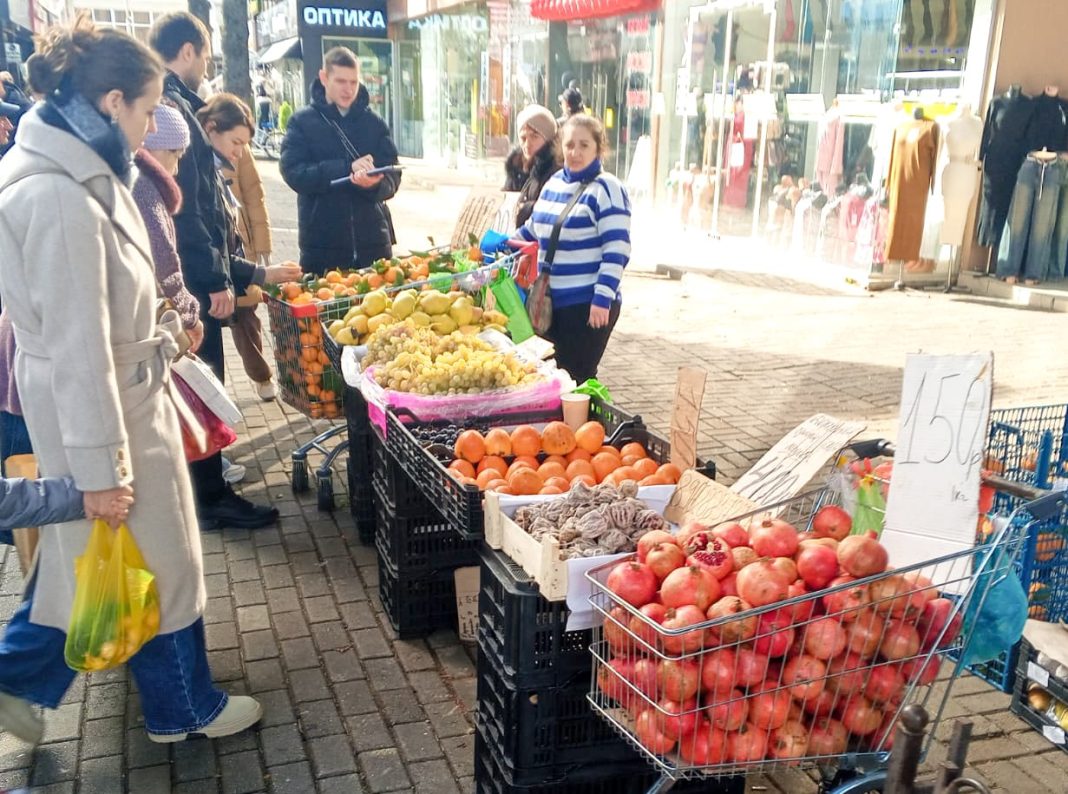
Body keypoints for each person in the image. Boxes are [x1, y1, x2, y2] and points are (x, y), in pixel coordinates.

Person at [0, 18, 261, 746]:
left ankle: (36, 688)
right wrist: (100, 472)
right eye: (146, 112)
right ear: (112, 101)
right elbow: (82, 347)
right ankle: (183, 709)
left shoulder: (78, 169)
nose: (150, 130)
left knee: (103, 566)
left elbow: (103, 311)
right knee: (144, 564)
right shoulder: (60, 194)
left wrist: (164, 326)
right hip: (110, 413)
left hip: (120, 397)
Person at [149, 12, 278, 529]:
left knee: (196, 384)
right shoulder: (174, 108)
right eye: (204, 56)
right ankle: (209, 497)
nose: (205, 66)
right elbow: (190, 208)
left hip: (193, 276)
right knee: (204, 383)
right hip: (194, 283)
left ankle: (204, 484)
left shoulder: (167, 102)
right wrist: (218, 280)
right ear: (187, 50)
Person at [515, 115, 631, 384]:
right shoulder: (554, 183)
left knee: (576, 378)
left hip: (587, 306)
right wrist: (505, 243)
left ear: (598, 149)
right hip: (550, 305)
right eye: (569, 145)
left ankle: (591, 426)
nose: (575, 153)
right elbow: (534, 229)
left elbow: (617, 250)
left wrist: (602, 297)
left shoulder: (607, 189)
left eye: (584, 145)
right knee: (551, 377)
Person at [197, 93, 298, 401]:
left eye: (244, 144)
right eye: (236, 142)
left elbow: (255, 198)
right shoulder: (197, 169)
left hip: (238, 258)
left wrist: (263, 254)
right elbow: (199, 237)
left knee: (246, 322)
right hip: (212, 277)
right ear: (212, 128)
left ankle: (260, 376)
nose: (240, 152)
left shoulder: (221, 161)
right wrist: (259, 272)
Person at [280, 46, 401, 274]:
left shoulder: (373, 122)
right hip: (322, 247)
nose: (348, 89)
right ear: (324, 78)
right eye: (341, 81)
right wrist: (345, 169)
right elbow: (293, 172)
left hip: (374, 245)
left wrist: (376, 184)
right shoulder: (302, 122)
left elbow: (394, 174)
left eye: (354, 82)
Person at [132, 104, 205, 351]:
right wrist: (189, 313)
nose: (176, 168)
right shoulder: (144, 189)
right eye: (175, 154)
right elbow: (163, 260)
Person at [504, 104, 561, 229]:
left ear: (549, 138)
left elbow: (554, 209)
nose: (527, 144)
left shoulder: (557, 170)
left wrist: (523, 208)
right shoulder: (515, 167)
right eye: (523, 138)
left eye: (535, 136)